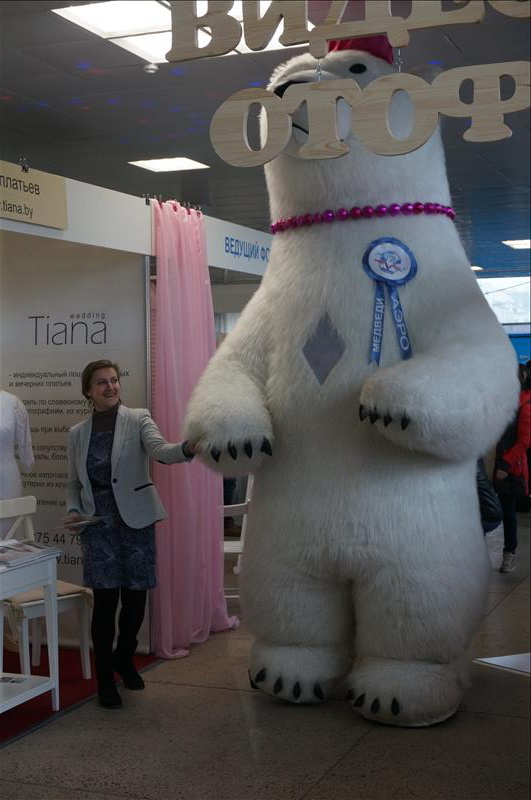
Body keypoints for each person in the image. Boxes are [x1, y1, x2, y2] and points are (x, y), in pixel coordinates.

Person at [65, 359, 197, 709]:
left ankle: (124, 657)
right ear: (88, 391)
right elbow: (74, 484)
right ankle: (105, 679)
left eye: (114, 380)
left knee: (136, 600)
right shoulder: (77, 433)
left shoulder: (138, 418)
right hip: (98, 526)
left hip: (136, 521)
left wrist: (187, 448)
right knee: (105, 603)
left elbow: (161, 450)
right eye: (101, 382)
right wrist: (73, 510)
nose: (110, 386)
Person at [494, 363, 531, 573]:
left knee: (507, 510)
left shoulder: (525, 404)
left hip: (510, 467)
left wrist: (505, 464)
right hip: (495, 464)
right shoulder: (501, 404)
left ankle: (509, 553)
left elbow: (525, 440)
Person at [0, 390, 35, 536]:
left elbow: (25, 446)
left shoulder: (12, 403)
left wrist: (28, 462)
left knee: (8, 533)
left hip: (6, 479)